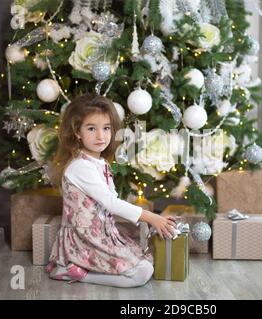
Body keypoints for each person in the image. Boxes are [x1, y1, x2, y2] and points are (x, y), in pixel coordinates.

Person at [46, 93, 177, 287]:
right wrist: (151, 217)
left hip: (104, 233)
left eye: (106, 128)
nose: (101, 136)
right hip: (86, 237)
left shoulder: (99, 163)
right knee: (142, 274)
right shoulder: (81, 167)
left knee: (147, 261)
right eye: (91, 128)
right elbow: (110, 202)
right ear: (77, 131)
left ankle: (87, 268)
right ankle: (73, 272)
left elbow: (110, 200)